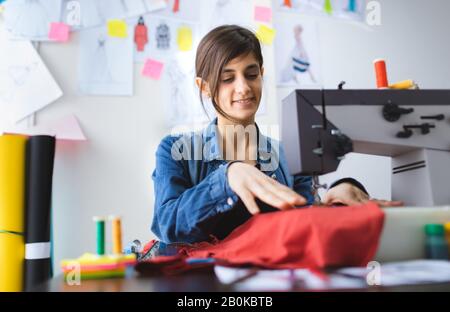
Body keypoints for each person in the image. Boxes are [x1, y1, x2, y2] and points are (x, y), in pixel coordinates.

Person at [151, 25, 402, 244]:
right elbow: (167, 226)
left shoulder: (289, 155)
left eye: (251, 74)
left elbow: (304, 222)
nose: (244, 87)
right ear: (204, 86)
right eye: (227, 78)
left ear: (262, 73)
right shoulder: (176, 150)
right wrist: (226, 178)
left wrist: (337, 197)